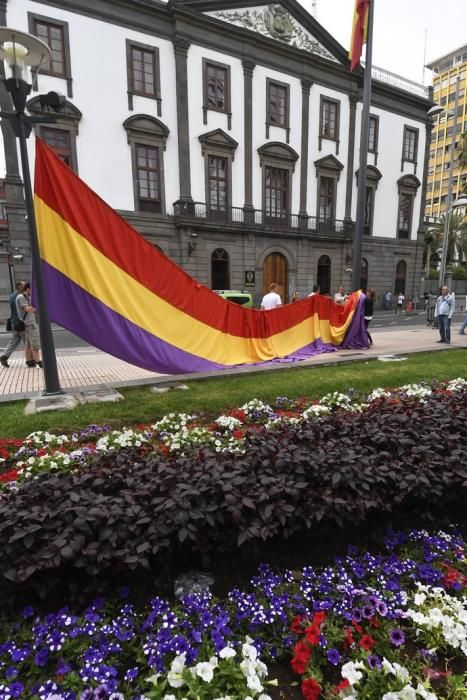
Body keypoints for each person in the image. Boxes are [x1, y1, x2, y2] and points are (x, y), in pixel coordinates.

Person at [0, 280, 33, 368]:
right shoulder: (20, 297)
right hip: (21, 322)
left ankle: (4, 356)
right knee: (28, 341)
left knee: (14, 340)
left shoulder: (11, 296)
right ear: (19, 287)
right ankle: (30, 360)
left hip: (14, 322)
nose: (25, 286)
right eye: (23, 285)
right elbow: (22, 309)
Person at [15, 282, 43, 367]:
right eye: (32, 290)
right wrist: (40, 307)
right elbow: (27, 309)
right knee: (35, 344)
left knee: (28, 344)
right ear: (28, 289)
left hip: (30, 322)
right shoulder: (21, 297)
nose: (33, 292)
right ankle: (39, 361)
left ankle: (29, 361)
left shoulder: (28, 297)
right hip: (29, 324)